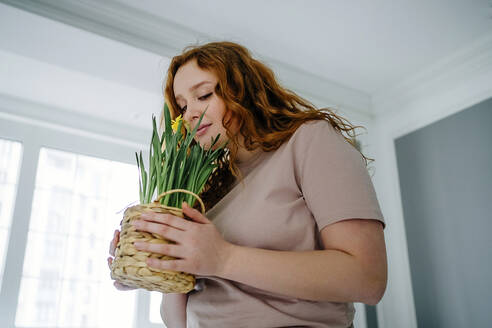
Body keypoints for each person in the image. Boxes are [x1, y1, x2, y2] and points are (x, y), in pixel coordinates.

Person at [108, 41, 387, 328]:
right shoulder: (207, 187)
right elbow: (178, 322)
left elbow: (368, 278)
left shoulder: (310, 140)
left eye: (203, 95)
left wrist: (224, 259)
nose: (189, 114)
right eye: (182, 106)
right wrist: (155, 263)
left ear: (241, 89)